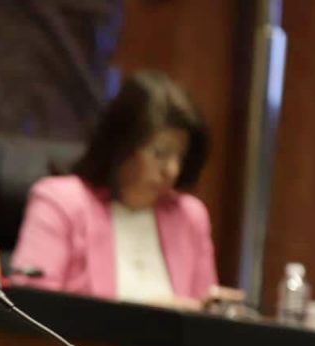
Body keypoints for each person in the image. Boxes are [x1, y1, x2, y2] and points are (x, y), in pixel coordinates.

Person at [11, 69, 217, 307]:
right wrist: (149, 315)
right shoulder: (61, 201)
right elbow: (30, 308)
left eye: (180, 156)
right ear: (121, 146)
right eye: (160, 153)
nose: (172, 170)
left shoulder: (190, 216)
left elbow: (204, 313)